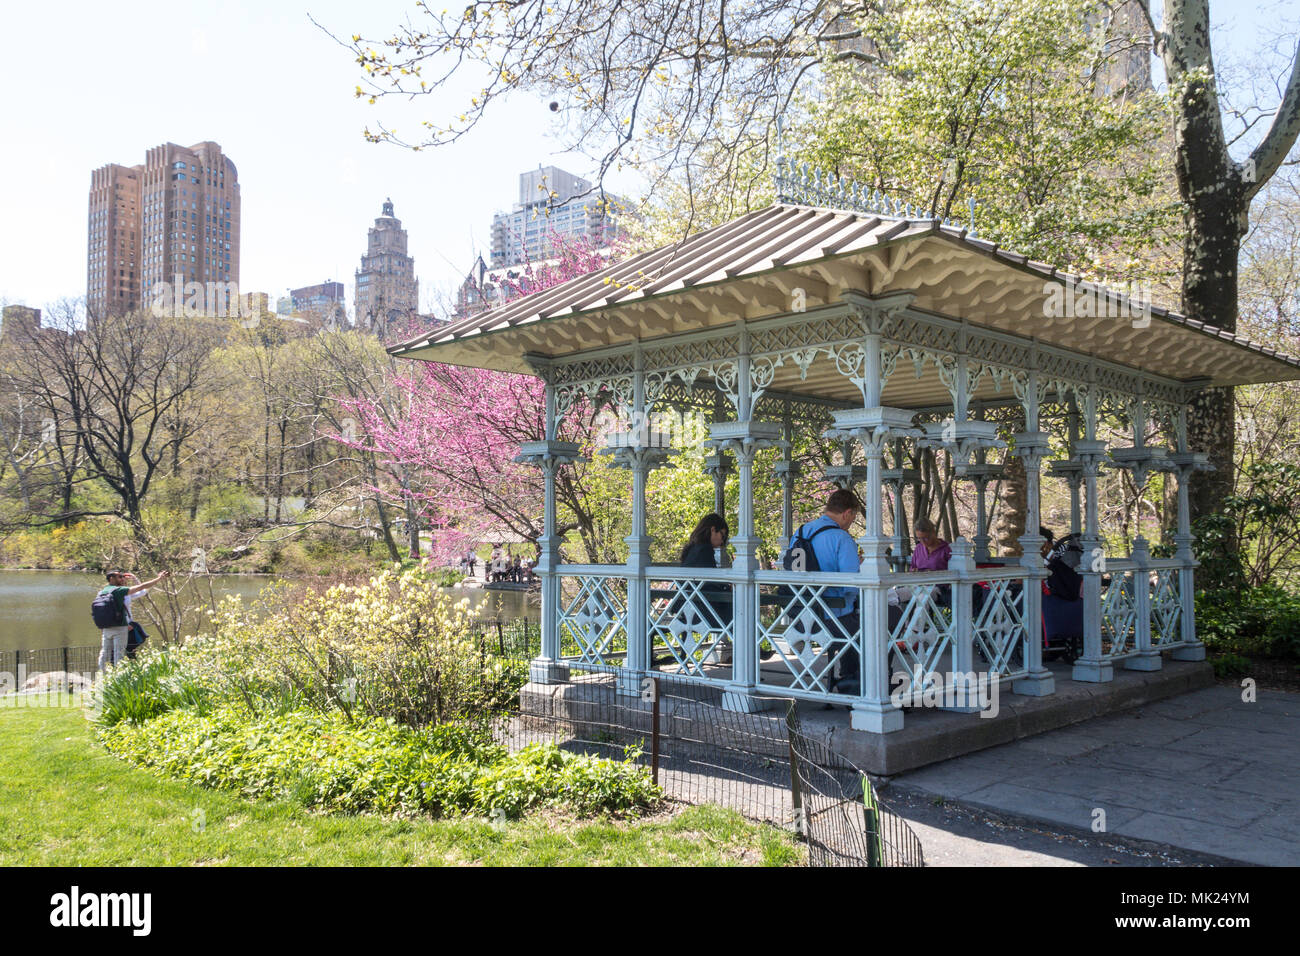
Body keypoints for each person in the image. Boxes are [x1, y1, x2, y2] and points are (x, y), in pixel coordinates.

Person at [787, 490, 862, 693]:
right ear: (846, 513)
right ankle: (852, 681)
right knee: (871, 629)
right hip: (831, 620)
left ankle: (845, 679)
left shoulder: (800, 533)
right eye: (853, 518)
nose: (850, 523)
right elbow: (852, 585)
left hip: (800, 617)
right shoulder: (841, 539)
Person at [95, 569, 168, 672]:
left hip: (106, 628)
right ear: (111, 579)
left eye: (122, 576)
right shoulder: (119, 591)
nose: (122, 578)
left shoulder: (102, 592)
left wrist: (102, 627)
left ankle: (102, 676)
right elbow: (142, 587)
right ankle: (117, 678)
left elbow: (99, 611)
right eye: (119, 577)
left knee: (105, 653)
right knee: (118, 654)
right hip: (120, 628)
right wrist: (159, 578)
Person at [677, 513, 731, 630]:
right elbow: (710, 583)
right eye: (722, 535)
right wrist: (725, 586)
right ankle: (749, 647)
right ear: (712, 530)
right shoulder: (705, 550)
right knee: (740, 610)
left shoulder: (692, 548)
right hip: (700, 611)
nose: (722, 541)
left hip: (686, 606)